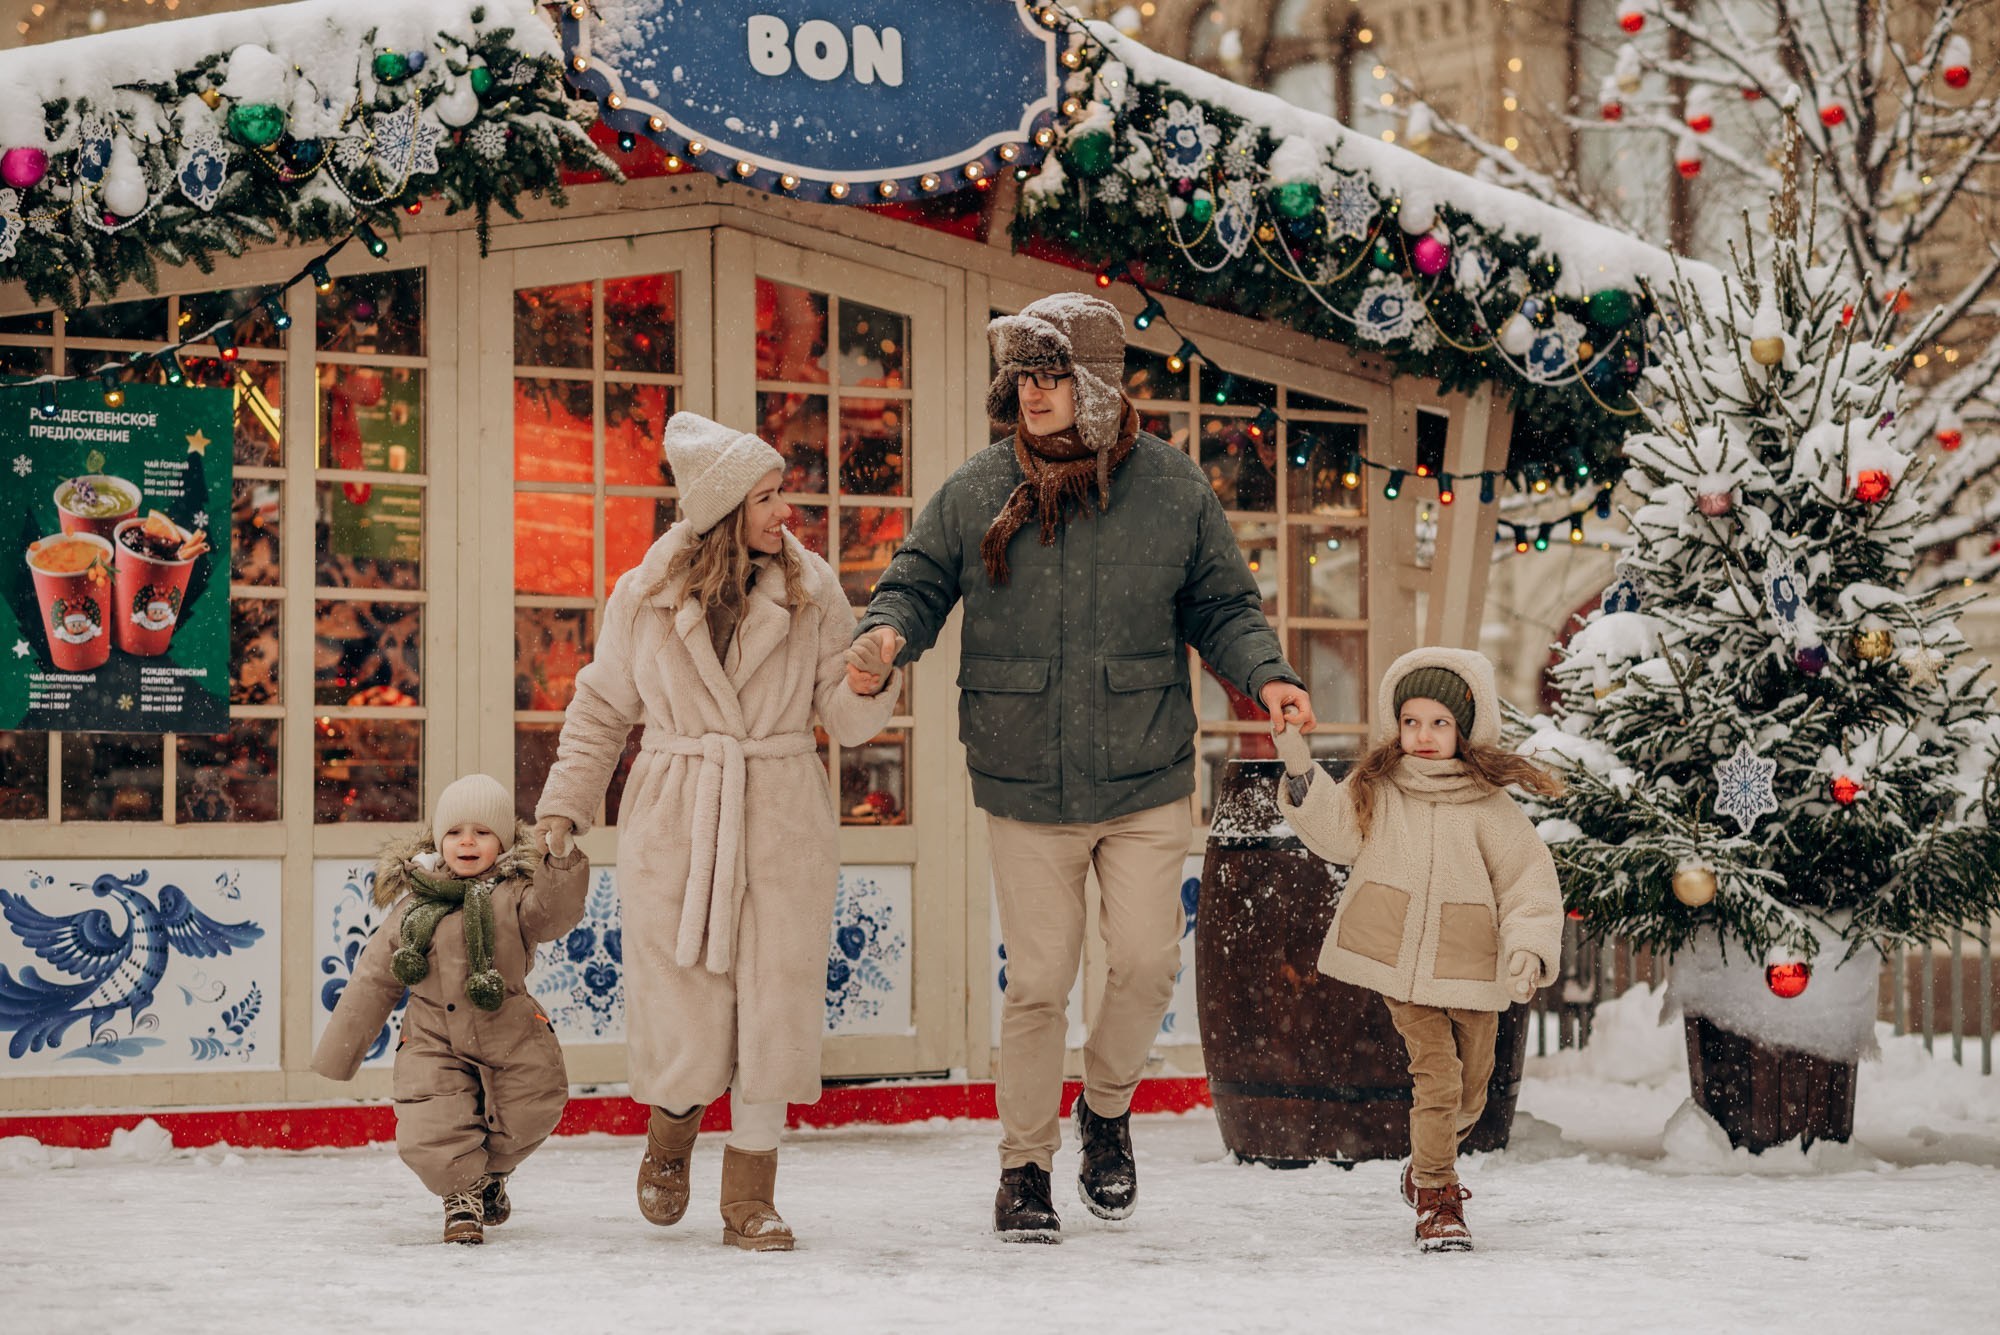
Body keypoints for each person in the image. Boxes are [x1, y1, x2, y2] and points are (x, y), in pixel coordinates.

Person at [846, 292, 1313, 1241]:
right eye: (1024, 375)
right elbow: (920, 577)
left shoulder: (1173, 488)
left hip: (1143, 771)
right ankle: (1024, 1164)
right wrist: (887, 633)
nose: (1034, 392)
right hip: (1024, 778)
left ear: (1095, 383)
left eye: (1052, 375)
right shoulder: (980, 486)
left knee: (1144, 964)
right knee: (1040, 980)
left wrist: (1268, 676)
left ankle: (1105, 1106)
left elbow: (1224, 604)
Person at [532, 412, 900, 1252]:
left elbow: (842, 721)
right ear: (727, 506)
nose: (784, 512)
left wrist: (871, 677)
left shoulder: (812, 590)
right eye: (768, 497)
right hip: (678, 807)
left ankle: (751, 1195)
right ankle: (671, 1134)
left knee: (775, 1000)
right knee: (683, 999)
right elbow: (601, 705)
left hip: (778, 810)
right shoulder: (646, 593)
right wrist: (565, 806)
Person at [1273, 647, 1562, 1253]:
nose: (1423, 736)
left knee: (1472, 1091)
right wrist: (1298, 765)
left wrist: (1529, 947)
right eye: (1411, 722)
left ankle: (1426, 1159)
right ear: (1395, 725)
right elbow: (1335, 832)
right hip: (1401, 966)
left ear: (1465, 729)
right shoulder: (1380, 788)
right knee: (1437, 1078)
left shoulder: (1489, 806)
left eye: (1439, 723)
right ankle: (1436, 1196)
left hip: (1472, 965)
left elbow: (1527, 879)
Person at [311, 773, 590, 1244]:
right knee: (432, 1124)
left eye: (482, 832)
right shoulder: (413, 906)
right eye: (455, 832)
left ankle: (489, 1177)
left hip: (512, 1029)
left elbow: (555, 914)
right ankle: (461, 1199)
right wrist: (341, 1051)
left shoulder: (517, 897)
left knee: (534, 1108)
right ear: (439, 840)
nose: (467, 842)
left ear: (501, 841)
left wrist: (558, 863)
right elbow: (375, 977)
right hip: (432, 1035)